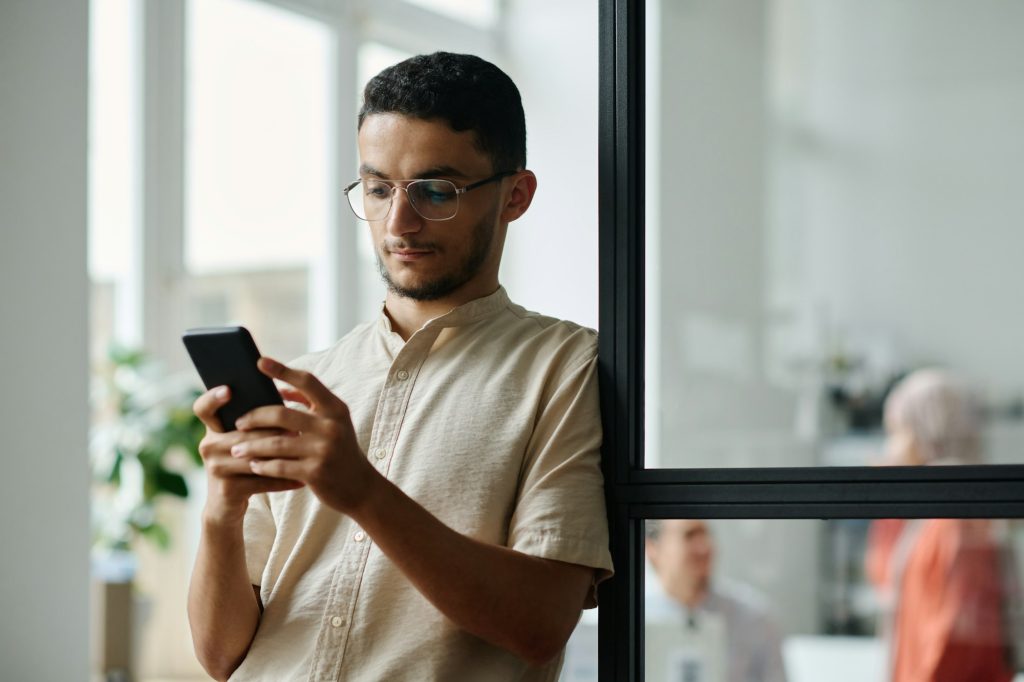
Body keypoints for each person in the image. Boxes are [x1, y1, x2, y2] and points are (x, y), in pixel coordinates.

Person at [186, 52, 613, 681]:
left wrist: (362, 492)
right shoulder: (307, 381)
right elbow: (220, 656)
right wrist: (221, 514)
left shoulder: (567, 365)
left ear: (515, 196)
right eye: (380, 188)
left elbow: (541, 624)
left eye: (435, 190)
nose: (399, 223)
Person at [866, 369, 1014, 682]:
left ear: (927, 430)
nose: (891, 447)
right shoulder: (936, 510)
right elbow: (884, 579)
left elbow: (954, 632)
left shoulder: (954, 512)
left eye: (897, 432)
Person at [644, 519, 788, 682]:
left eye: (705, 534)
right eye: (689, 535)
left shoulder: (755, 618)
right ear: (652, 548)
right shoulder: (635, 619)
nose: (704, 547)